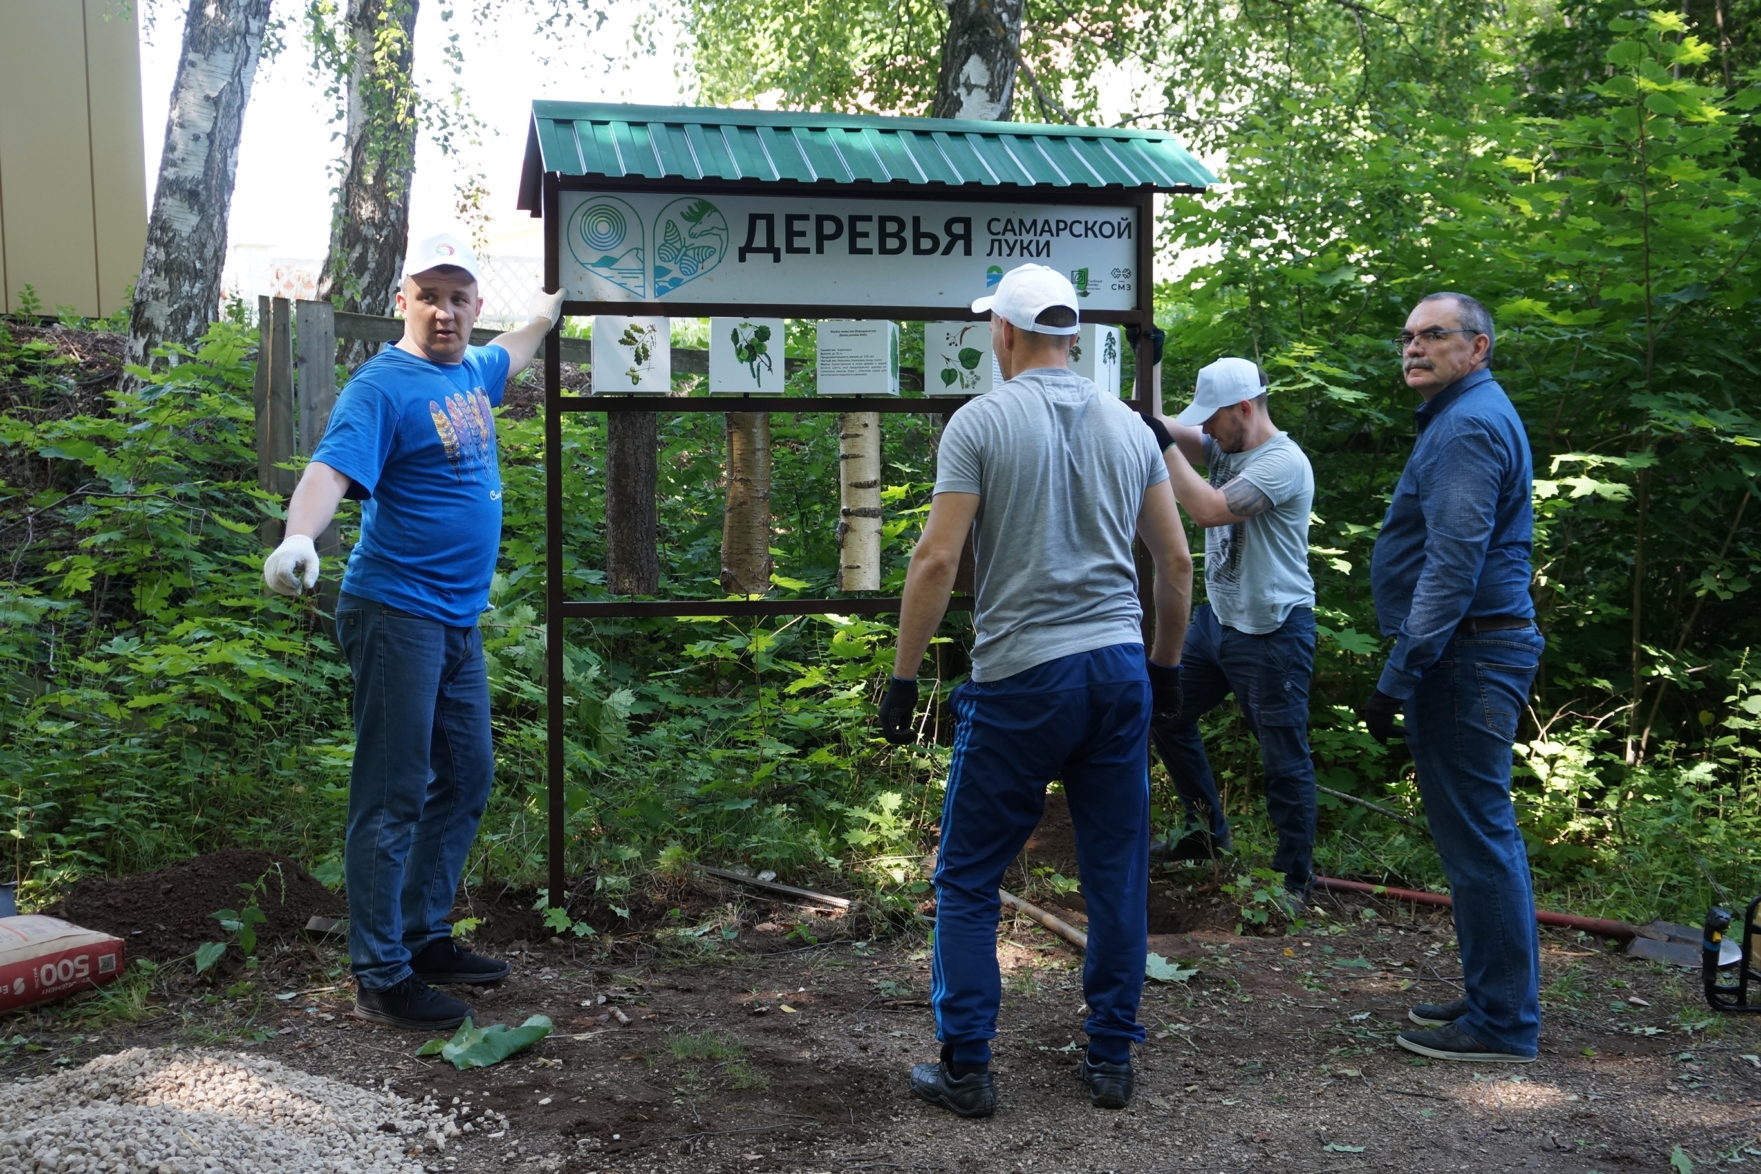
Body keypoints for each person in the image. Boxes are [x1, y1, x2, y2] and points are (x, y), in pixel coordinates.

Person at [876, 263, 1192, 1117]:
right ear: (1074, 337)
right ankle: (1111, 1059)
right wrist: (1163, 671)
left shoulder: (979, 421)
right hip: (1118, 672)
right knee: (1115, 872)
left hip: (1022, 678)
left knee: (969, 877)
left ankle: (967, 1067)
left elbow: (937, 559)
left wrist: (902, 679)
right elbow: (1173, 561)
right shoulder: (1131, 430)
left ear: (1004, 333)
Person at [262, 230, 565, 1031]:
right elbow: (329, 470)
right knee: (392, 795)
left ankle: (423, 936)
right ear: (404, 300)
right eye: (429, 295)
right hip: (396, 613)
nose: (444, 311)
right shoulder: (382, 386)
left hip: (455, 622)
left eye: (458, 296)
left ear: (474, 303)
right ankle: (382, 973)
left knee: (465, 777)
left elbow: (519, 345)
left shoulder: (470, 372)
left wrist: (546, 305)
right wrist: (299, 537)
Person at [1358, 291, 1545, 1064]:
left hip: (1466, 652)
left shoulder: (1467, 425)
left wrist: (1399, 671)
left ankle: (1501, 1024)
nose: (1413, 347)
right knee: (1474, 835)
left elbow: (1453, 563)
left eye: (1432, 335)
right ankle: (1492, 996)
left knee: (1477, 837)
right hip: (1467, 649)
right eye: (1406, 336)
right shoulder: (1465, 414)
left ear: (1478, 348)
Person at [1140, 358, 1317, 907]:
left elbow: (1210, 510)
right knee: (1161, 710)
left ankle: (1293, 880)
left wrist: (1162, 444)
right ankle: (1205, 834)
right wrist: (1151, 363)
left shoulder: (1283, 462)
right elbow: (1161, 425)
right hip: (1217, 624)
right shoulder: (1226, 443)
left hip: (1272, 630)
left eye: (1213, 419)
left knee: (1282, 756)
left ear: (1245, 408)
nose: (1207, 431)